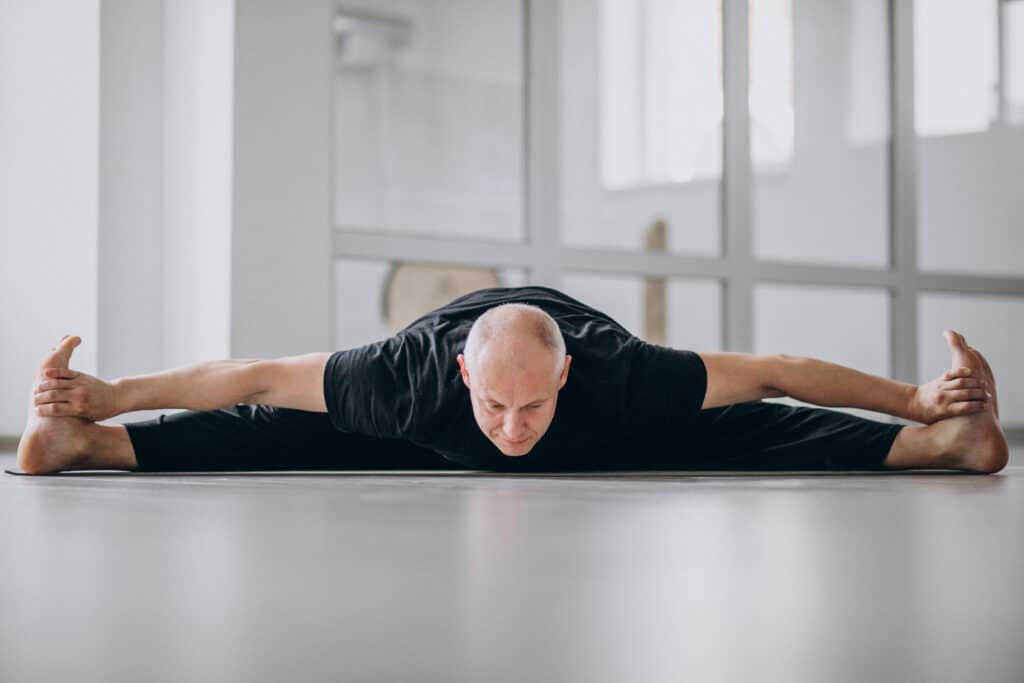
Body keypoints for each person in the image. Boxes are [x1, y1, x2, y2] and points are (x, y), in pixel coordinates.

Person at [16, 286, 1008, 475]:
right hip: (409, 413)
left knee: (744, 423)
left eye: (532, 403)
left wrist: (916, 400)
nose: (513, 427)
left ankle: (937, 446)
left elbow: (776, 370)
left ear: (566, 373)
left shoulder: (622, 376)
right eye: (494, 403)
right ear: (460, 375)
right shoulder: (400, 377)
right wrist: (110, 396)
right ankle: (90, 446)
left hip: (616, 422)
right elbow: (247, 373)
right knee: (281, 422)